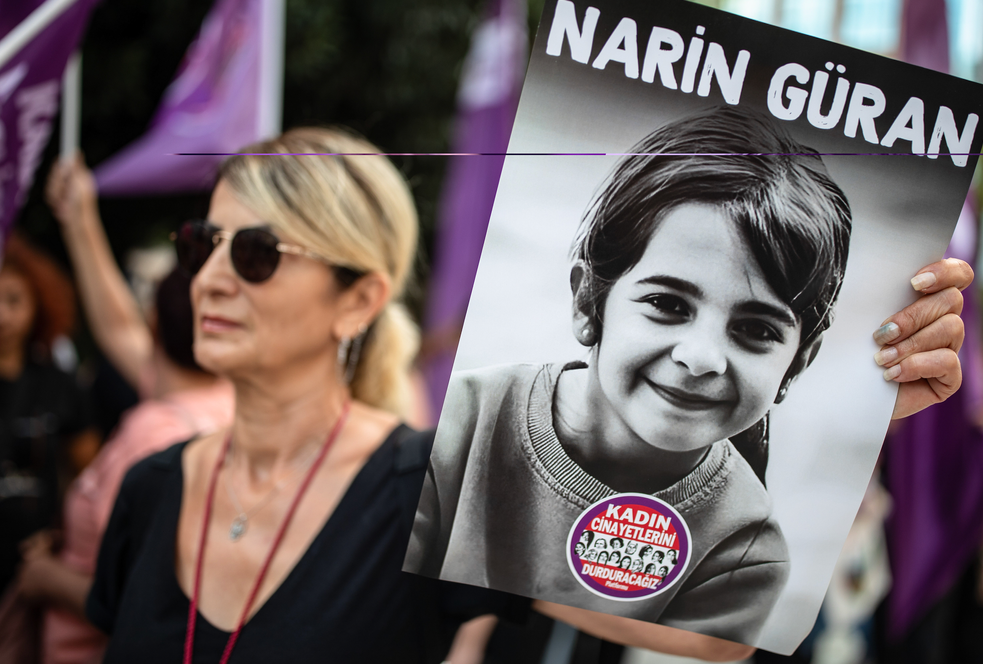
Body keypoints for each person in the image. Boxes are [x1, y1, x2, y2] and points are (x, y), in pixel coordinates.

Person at [79, 128, 775, 663]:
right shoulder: (151, 485)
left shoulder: (427, 488)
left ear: (358, 300)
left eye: (256, 253)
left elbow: (716, 637)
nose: (212, 279)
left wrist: (874, 392)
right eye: (205, 244)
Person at [406, 106, 972, 644]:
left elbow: (719, 648)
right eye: (668, 304)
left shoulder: (747, 544)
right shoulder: (466, 420)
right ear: (587, 300)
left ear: (798, 360)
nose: (702, 357)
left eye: (756, 330)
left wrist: (883, 405)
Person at [13, 155, 236, 664]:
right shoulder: (231, 404)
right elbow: (118, 329)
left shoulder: (154, 436)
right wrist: (81, 218)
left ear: (155, 324)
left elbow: (142, 602)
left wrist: (46, 578)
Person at [0, 234, 95, 595]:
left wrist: (60, 534)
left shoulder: (60, 383)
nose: (3, 315)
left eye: (14, 300)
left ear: (38, 303)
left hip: (38, 564)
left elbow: (87, 474)